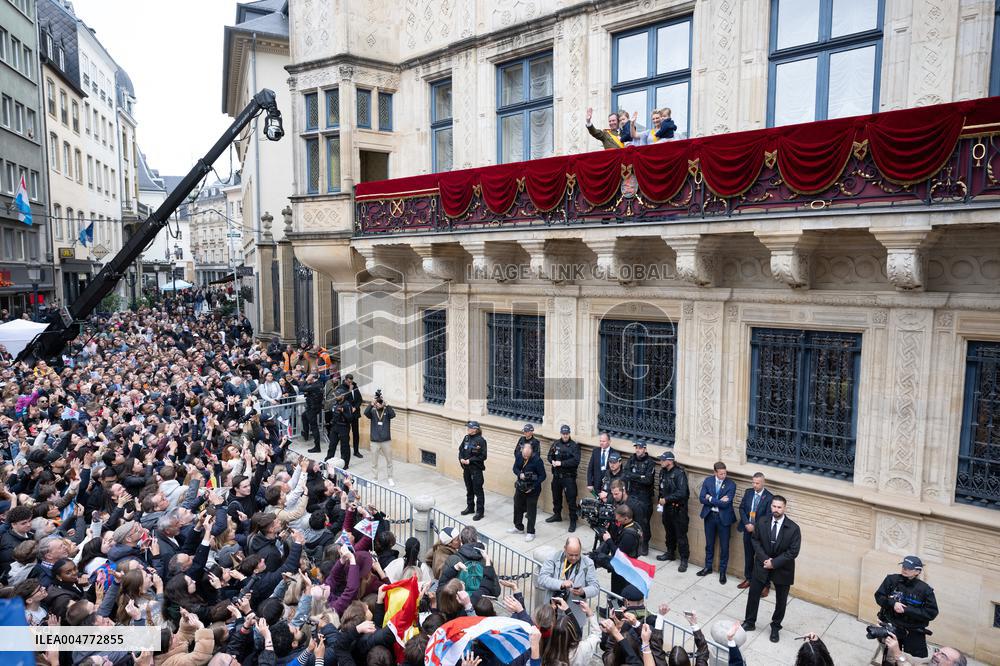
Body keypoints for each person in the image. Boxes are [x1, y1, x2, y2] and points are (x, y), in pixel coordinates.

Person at [741, 494, 801, 643]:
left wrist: (774, 563)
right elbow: (755, 540)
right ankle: (749, 622)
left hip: (782, 568)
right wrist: (764, 559)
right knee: (753, 594)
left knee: (781, 601)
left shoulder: (794, 528)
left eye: (779, 507)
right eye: (774, 506)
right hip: (762, 564)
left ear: (784, 508)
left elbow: (793, 551)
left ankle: (775, 627)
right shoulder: (762, 521)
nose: (776, 509)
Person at [874, 555, 939, 658]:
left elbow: (931, 613)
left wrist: (906, 610)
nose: (904, 569)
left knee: (914, 659)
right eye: (904, 566)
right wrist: (893, 603)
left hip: (913, 630)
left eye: (909, 568)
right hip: (892, 625)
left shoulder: (925, 590)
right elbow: (879, 596)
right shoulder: (891, 580)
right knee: (889, 658)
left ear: (917, 571)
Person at [535, 536, 600, 629]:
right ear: (565, 549)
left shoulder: (588, 563)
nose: (574, 558)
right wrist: (560, 584)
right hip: (552, 613)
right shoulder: (553, 558)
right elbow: (542, 578)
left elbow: (595, 587)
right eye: (570, 555)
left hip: (574, 616)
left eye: (577, 555)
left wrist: (583, 591)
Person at [697, 461, 736, 584]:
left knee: (724, 547)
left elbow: (726, 504)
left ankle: (722, 572)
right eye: (721, 474)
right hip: (710, 516)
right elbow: (701, 498)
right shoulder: (708, 481)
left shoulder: (731, 484)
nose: (723, 476)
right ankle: (708, 567)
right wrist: (715, 500)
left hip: (723, 518)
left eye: (725, 473)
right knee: (709, 544)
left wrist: (710, 498)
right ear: (715, 472)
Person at [589, 503, 640, 595]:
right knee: (616, 588)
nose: (616, 519)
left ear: (626, 518)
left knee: (618, 589)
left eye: (618, 517)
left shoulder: (629, 535)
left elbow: (619, 554)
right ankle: (611, 606)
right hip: (626, 563)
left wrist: (608, 540)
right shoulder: (634, 525)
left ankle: (616, 606)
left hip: (624, 566)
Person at [737, 472, 772, 593]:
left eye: (757, 483)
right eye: (753, 482)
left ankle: (765, 584)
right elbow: (741, 508)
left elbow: (768, 517)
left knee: (762, 558)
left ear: (763, 483)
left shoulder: (769, 497)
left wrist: (755, 527)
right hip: (747, 530)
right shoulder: (748, 492)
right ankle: (749, 579)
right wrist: (747, 523)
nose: (754, 485)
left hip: (760, 534)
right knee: (748, 555)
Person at [655, 451, 689, 572]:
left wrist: (667, 499)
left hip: (678, 510)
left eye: (663, 460)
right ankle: (670, 553)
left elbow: (682, 493)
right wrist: (661, 500)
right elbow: (661, 488)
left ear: (670, 461)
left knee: (681, 536)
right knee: (669, 533)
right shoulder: (663, 472)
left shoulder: (679, 473)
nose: (661, 462)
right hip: (667, 509)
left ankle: (684, 559)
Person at [509, 440, 545, 542]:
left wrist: (533, 486)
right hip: (520, 486)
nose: (524, 456)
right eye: (523, 453)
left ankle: (531, 532)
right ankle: (518, 526)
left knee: (531, 511)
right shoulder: (520, 456)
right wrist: (519, 474)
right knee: (517, 506)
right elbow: (515, 468)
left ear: (531, 452)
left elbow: (543, 476)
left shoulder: (537, 461)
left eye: (526, 455)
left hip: (533, 490)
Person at [546, 424, 580, 532]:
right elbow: (549, 456)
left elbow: (575, 461)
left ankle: (573, 521)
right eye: (563, 433)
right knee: (556, 497)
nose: (565, 435)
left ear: (569, 433)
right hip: (556, 477)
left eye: (567, 433)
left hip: (568, 478)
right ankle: (557, 515)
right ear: (561, 433)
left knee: (571, 500)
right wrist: (553, 462)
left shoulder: (574, 446)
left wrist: (561, 463)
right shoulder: (556, 444)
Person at [624, 441, 656, 556]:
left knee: (644, 523)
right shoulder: (631, 459)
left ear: (645, 449)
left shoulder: (650, 462)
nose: (638, 450)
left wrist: (634, 477)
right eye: (636, 448)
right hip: (632, 495)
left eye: (640, 448)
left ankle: (645, 544)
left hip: (644, 497)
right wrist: (639, 476)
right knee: (630, 520)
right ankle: (633, 542)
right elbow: (626, 474)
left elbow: (648, 480)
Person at [363, 391, 396, 485]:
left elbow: (393, 415)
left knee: (389, 461)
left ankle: (390, 478)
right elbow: (365, 413)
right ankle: (374, 478)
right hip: (374, 441)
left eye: (380, 402)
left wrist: (387, 404)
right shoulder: (373, 411)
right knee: (374, 462)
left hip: (386, 441)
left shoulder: (387, 411)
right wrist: (371, 403)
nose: (379, 403)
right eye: (378, 402)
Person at [458, 421, 487, 520]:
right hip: (466, 469)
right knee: (469, 489)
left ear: (475, 429)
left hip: (476, 470)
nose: (468, 429)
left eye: (470, 428)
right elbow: (461, 449)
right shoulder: (466, 438)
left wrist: (470, 461)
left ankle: (480, 512)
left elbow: (483, 456)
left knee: (478, 491)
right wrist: (461, 459)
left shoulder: (481, 441)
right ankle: (470, 507)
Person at [884, 632, 965, 666]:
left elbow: (900, 657)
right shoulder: (927, 663)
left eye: (943, 655)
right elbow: (900, 658)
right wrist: (887, 639)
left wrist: (898, 654)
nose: (935, 654)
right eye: (938, 651)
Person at [326, 385, 353, 467]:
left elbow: (350, 418)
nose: (336, 396)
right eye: (335, 395)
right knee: (332, 445)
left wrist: (343, 412)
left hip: (343, 427)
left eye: (338, 395)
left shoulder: (347, 405)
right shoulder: (335, 403)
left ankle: (345, 463)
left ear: (343, 395)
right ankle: (328, 460)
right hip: (335, 427)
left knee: (344, 447)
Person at [300, 373, 324, 454]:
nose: (308, 378)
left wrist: (306, 380)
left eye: (310, 377)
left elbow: (301, 388)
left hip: (312, 409)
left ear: (313, 378)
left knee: (314, 427)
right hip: (314, 407)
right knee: (304, 416)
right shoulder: (319, 383)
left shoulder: (315, 386)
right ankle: (305, 433)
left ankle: (317, 447)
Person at [343, 374, 363, 459]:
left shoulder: (355, 387)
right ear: (345, 380)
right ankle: (345, 451)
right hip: (346, 414)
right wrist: (349, 390)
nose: (350, 383)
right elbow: (342, 399)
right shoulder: (342, 387)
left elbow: (360, 399)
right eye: (348, 381)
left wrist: (355, 407)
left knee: (356, 433)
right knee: (346, 434)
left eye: (351, 381)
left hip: (355, 413)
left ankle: (356, 451)